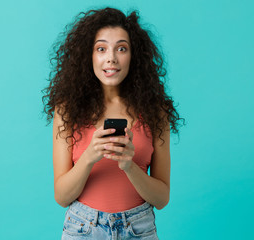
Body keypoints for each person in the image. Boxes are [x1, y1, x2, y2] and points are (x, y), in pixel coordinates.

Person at [42, 7, 183, 239]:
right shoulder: (67, 110)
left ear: (133, 55)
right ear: (88, 55)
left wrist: (129, 166)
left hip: (139, 228)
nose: (111, 58)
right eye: (101, 48)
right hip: (83, 228)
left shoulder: (156, 112)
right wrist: (89, 156)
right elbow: (62, 197)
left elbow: (162, 199)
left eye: (121, 48)